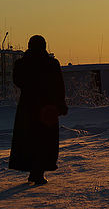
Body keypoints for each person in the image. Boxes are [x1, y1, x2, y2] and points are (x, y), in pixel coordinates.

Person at [9, 35, 68, 185]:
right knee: (44, 140)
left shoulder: (21, 63)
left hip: (27, 107)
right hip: (47, 108)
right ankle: (38, 172)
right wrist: (60, 104)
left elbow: (18, 81)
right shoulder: (51, 63)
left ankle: (33, 172)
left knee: (29, 139)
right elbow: (59, 86)